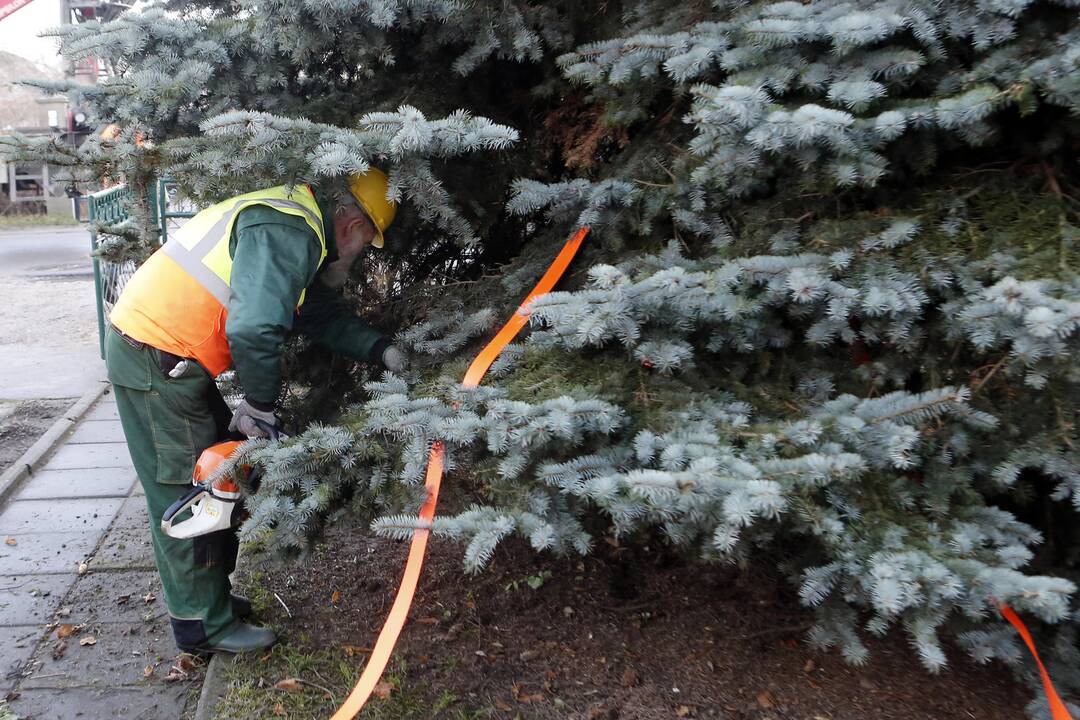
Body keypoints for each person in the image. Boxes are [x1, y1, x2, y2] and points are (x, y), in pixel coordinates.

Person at [105, 170, 408, 654]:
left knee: (214, 477)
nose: (364, 251)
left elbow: (318, 314)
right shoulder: (289, 229)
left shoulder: (297, 226)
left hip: (171, 357)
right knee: (187, 489)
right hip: (155, 356)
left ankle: (213, 600)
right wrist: (261, 406)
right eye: (370, 239)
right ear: (352, 223)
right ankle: (203, 627)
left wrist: (380, 349)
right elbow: (253, 329)